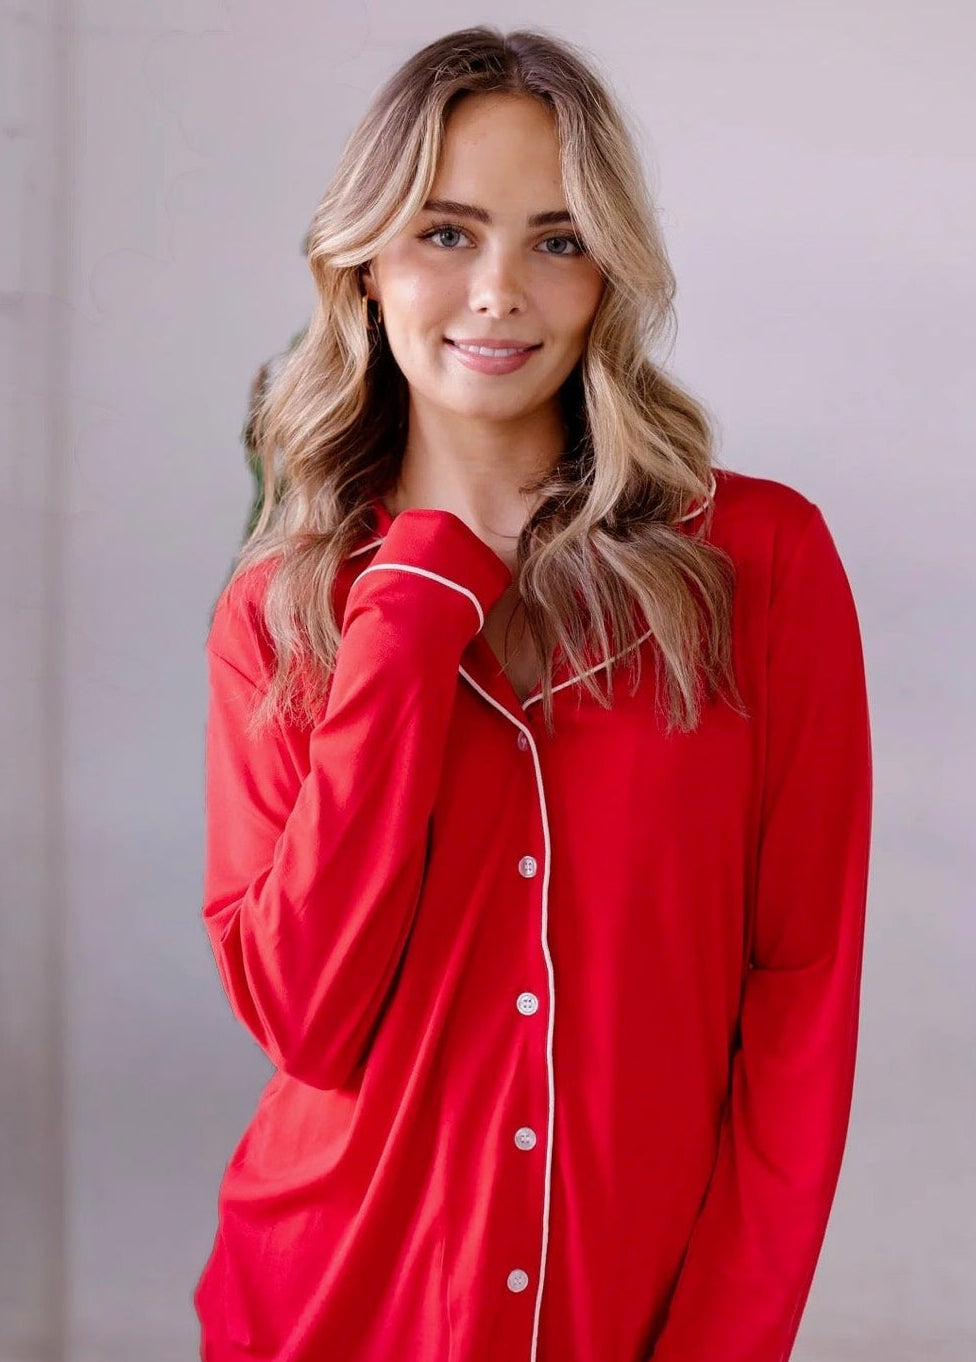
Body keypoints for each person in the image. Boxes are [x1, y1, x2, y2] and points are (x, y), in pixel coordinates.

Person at [193, 24, 873, 1362]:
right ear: (366, 259)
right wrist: (416, 594)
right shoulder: (282, 617)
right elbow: (308, 1018)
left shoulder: (762, 567)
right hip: (329, 1310)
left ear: (607, 271)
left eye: (556, 238)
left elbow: (800, 1000)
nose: (500, 289)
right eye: (446, 232)